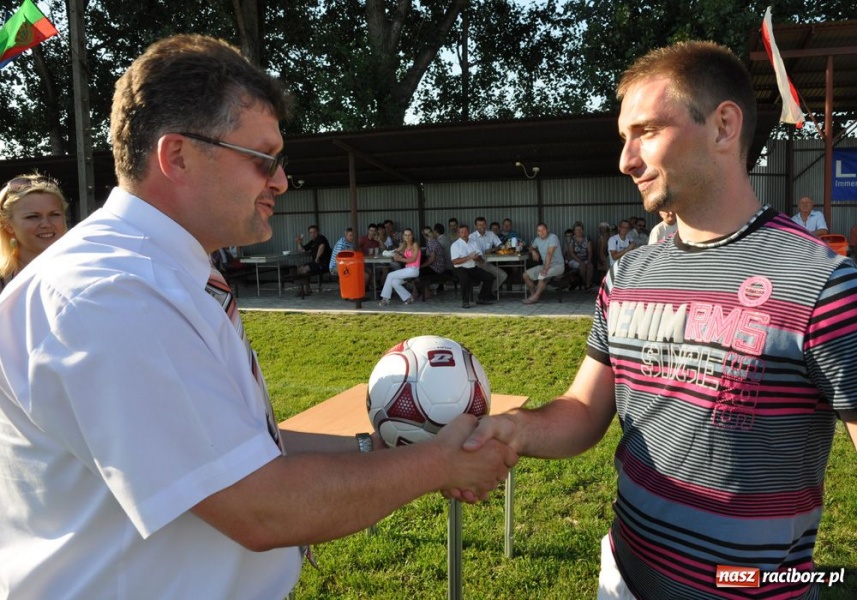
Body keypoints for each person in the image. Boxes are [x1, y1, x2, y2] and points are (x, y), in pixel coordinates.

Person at [0, 34, 517, 600]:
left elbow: (239, 447)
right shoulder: (110, 295)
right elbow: (260, 507)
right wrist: (439, 466)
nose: (281, 180)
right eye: (262, 159)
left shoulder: (160, 276)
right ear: (177, 156)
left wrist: (387, 449)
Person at [461, 40, 857, 600]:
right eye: (624, 138)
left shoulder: (823, 283)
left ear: (723, 126)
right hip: (624, 576)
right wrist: (515, 429)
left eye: (645, 131)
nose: (625, 159)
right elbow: (582, 410)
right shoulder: (629, 275)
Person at [0, 173, 69, 293]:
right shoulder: (3, 279)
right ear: (8, 225)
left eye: (54, 215)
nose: (46, 224)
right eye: (33, 217)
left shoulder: (85, 269)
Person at [450, 224, 495, 309]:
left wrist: (476, 258)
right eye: (461, 232)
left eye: (466, 231)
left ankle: (482, 298)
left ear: (469, 232)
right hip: (460, 268)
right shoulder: (455, 245)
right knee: (465, 278)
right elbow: (455, 261)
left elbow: (480, 258)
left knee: (489, 277)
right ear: (459, 234)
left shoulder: (473, 242)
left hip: (472, 267)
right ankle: (465, 301)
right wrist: (469, 257)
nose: (464, 234)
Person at [521, 223, 565, 305]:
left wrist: (545, 269)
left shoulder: (553, 237)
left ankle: (535, 297)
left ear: (547, 230)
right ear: (537, 232)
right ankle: (533, 295)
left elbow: (549, 254)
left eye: (543, 230)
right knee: (525, 275)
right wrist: (533, 251)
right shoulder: (537, 240)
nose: (541, 232)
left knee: (542, 276)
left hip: (558, 266)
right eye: (539, 231)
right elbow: (531, 247)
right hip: (546, 265)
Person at [379, 228, 420, 306]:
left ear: (412, 236)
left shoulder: (415, 244)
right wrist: (391, 253)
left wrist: (400, 258)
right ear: (403, 236)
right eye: (405, 235)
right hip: (408, 269)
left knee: (390, 275)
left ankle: (385, 299)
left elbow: (413, 259)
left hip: (414, 269)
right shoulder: (404, 244)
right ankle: (409, 297)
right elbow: (396, 251)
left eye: (409, 235)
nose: (407, 237)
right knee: (394, 282)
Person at [471, 216, 507, 293]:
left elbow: (500, 245)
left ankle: (487, 291)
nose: (482, 226)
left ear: (486, 225)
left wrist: (492, 249)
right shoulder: (472, 237)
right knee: (487, 276)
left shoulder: (491, 234)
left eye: (483, 224)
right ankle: (485, 292)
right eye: (479, 225)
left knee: (503, 275)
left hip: (487, 263)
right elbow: (475, 254)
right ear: (475, 226)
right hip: (476, 263)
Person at [295, 224, 331, 296]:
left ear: (318, 232)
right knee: (299, 268)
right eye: (310, 232)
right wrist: (299, 242)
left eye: (314, 232)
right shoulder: (312, 242)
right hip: (316, 263)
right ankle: (306, 289)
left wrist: (317, 258)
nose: (312, 234)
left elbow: (322, 246)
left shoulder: (321, 238)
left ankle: (305, 291)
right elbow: (302, 250)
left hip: (323, 263)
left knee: (303, 269)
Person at [415, 225, 446, 301]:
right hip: (439, 266)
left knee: (417, 271)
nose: (429, 235)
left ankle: (425, 293)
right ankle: (421, 291)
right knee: (418, 269)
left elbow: (432, 259)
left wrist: (421, 266)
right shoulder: (433, 241)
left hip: (437, 268)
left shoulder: (432, 242)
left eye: (429, 233)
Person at [566, 222, 594, 292]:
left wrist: (589, 261)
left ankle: (587, 286)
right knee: (582, 266)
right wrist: (580, 261)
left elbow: (590, 251)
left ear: (583, 230)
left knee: (590, 266)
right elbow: (571, 253)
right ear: (574, 231)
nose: (579, 231)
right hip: (574, 260)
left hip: (585, 259)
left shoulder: (587, 238)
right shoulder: (571, 239)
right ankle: (586, 283)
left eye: (580, 229)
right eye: (577, 229)